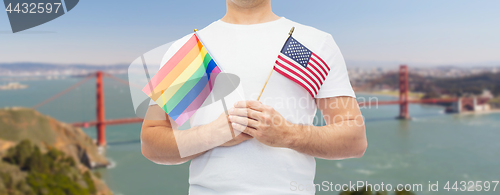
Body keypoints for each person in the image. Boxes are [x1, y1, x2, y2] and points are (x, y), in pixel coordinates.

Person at [140, 0, 367, 194]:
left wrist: (288, 134)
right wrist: (211, 134)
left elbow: (354, 139)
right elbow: (152, 142)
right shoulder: (191, 48)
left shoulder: (316, 42)